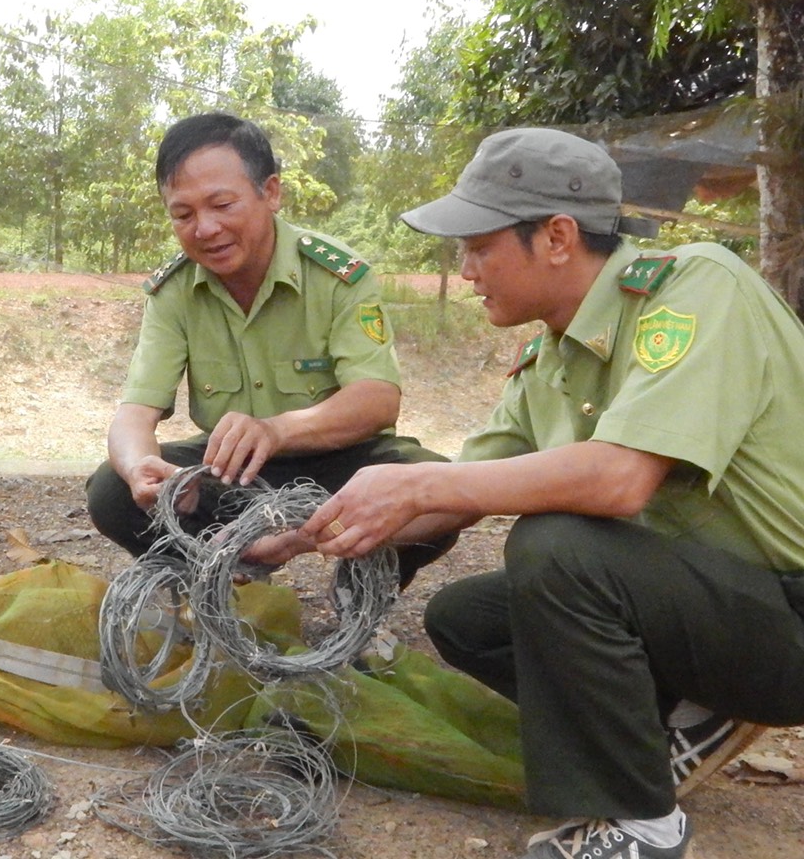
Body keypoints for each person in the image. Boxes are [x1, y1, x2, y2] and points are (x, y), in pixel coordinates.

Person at [268, 127, 804, 859]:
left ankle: (640, 821)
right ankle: (682, 716)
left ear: (556, 237)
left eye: (480, 245)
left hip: (790, 614)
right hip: (715, 602)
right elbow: (457, 499)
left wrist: (419, 477)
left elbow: (618, 480)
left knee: (556, 549)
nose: (466, 267)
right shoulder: (548, 360)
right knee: (468, 618)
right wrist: (298, 534)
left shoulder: (699, 287)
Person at [85, 112, 456, 587]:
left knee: (436, 487)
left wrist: (276, 431)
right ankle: (217, 581)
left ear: (271, 193)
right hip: (231, 473)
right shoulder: (173, 290)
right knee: (112, 491)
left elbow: (377, 399)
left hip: (339, 465)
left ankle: (360, 597)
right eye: (183, 214)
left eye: (222, 204)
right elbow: (134, 413)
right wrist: (142, 471)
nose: (205, 228)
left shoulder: (337, 275)